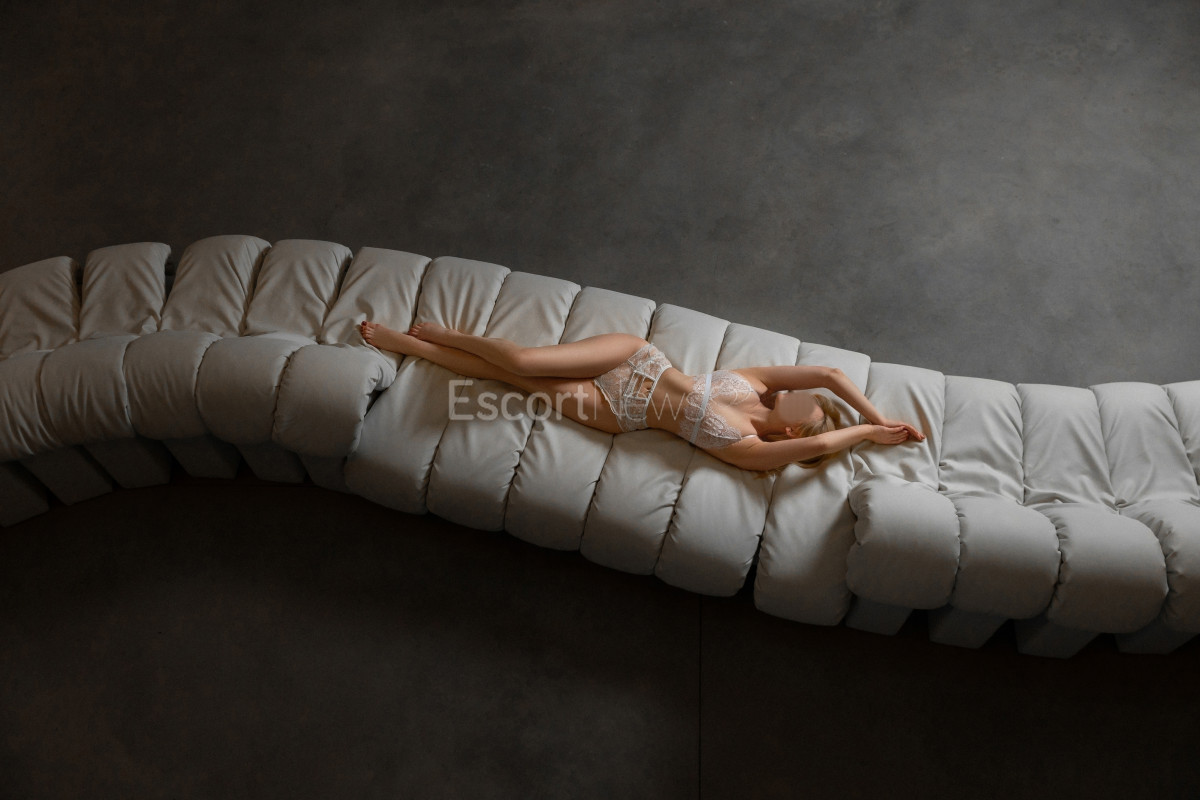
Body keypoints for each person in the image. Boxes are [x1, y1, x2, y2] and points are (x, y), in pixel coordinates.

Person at [359, 320, 925, 471]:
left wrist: (865, 436)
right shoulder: (760, 384)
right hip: (635, 358)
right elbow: (829, 374)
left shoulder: (751, 449)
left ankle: (411, 347)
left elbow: (816, 447)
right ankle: (448, 335)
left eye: (808, 410)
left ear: (797, 430)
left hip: (618, 411)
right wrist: (881, 418)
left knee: (513, 381)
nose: (803, 397)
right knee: (525, 361)